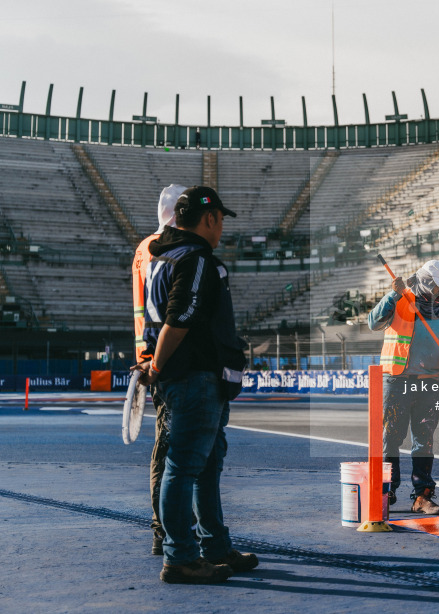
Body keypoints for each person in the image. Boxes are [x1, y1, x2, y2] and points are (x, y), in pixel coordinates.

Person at [135, 186, 256, 584]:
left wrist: (156, 368)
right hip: (196, 378)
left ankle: (213, 547)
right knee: (185, 468)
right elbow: (179, 319)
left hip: (185, 379)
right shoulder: (196, 257)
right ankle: (182, 557)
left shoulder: (162, 257)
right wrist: (158, 366)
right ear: (209, 218)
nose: (221, 227)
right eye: (220, 219)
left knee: (202, 468)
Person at [367, 260, 439, 515]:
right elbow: (373, 323)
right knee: (390, 439)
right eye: (437, 287)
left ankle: (422, 496)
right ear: (423, 282)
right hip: (397, 380)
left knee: (424, 440)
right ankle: (385, 491)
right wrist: (392, 294)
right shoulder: (400, 299)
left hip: (430, 382)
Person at [131, 184, 185, 556]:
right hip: (168, 358)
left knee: (166, 445)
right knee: (172, 449)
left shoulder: (142, 249)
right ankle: (167, 530)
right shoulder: (163, 249)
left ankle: (165, 529)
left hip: (149, 354)